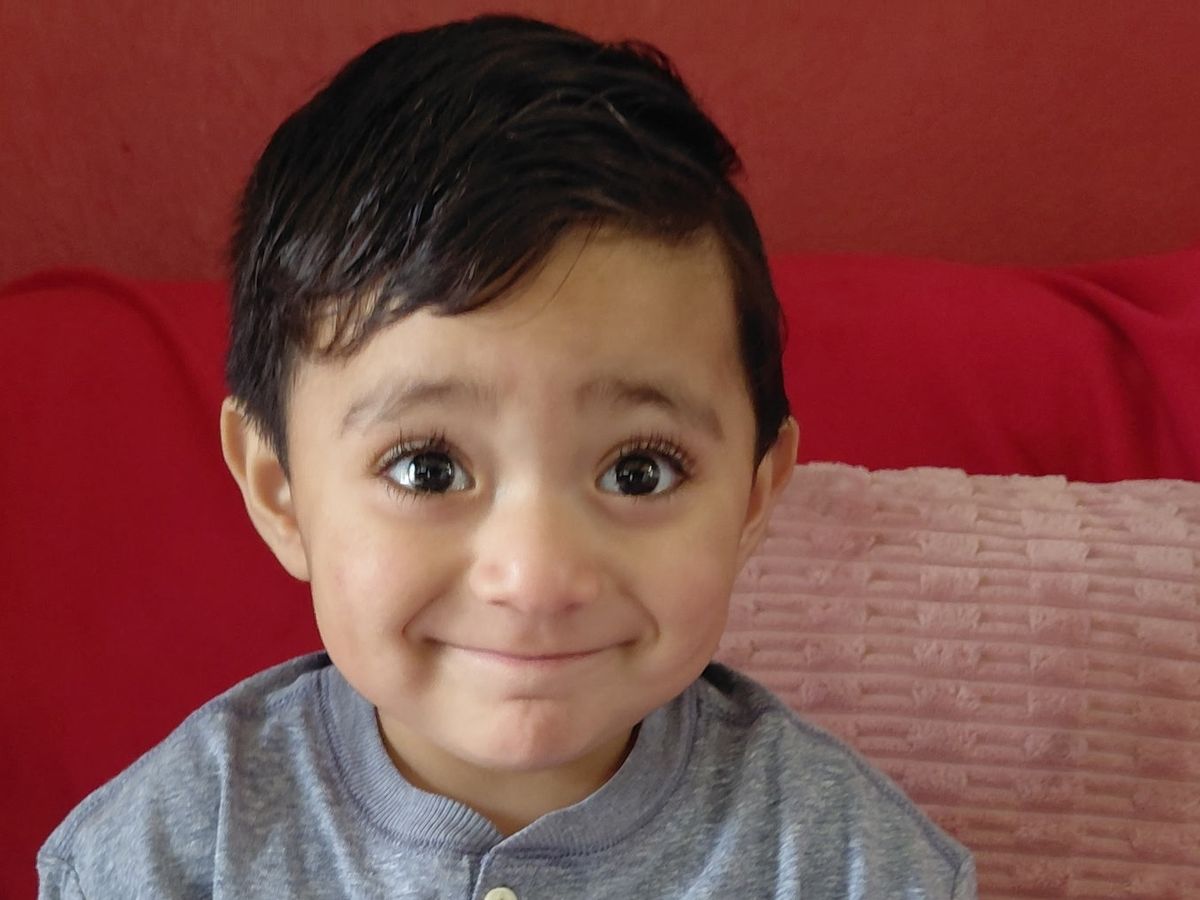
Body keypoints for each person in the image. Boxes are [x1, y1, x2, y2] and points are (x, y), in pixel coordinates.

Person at [38, 14, 976, 899]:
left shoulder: (854, 865)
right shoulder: (162, 854)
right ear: (280, 490)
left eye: (639, 472)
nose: (536, 579)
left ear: (754, 498)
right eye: (427, 469)